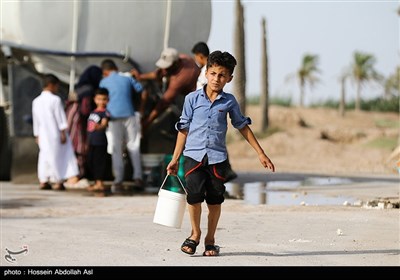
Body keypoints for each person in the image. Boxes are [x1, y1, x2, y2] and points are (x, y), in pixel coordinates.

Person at [166, 51, 275, 256]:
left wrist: (261, 153)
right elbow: (183, 130)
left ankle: (210, 239)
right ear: (206, 73)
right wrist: (175, 158)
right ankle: (195, 234)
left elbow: (242, 126)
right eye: (214, 73)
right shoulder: (191, 99)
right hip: (193, 156)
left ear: (229, 78)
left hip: (217, 158)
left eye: (222, 75)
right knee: (194, 196)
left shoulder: (229, 102)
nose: (217, 79)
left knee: (215, 199)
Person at [32, 74, 90, 190]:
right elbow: (60, 118)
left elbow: (36, 119)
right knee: (57, 155)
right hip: (55, 133)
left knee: (44, 156)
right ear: (51, 85)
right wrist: (63, 132)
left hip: (43, 133)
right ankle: (57, 180)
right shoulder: (55, 100)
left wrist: (37, 134)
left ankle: (43, 180)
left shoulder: (36, 101)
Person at [191, 42, 238, 183]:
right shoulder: (205, 73)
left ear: (199, 56)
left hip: (206, 113)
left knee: (212, 143)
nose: (216, 79)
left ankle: (219, 178)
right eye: (213, 74)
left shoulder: (203, 75)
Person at [99, 59, 145, 192]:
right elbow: (141, 90)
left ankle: (118, 179)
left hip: (112, 117)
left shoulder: (103, 81)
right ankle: (138, 177)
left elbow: (101, 97)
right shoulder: (127, 78)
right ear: (116, 68)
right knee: (134, 145)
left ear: (105, 72)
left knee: (116, 148)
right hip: (129, 114)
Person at [131, 48, 200, 131]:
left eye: (166, 68)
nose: (164, 70)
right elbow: (158, 74)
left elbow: (163, 103)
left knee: (180, 115)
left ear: (175, 64)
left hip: (193, 99)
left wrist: (147, 122)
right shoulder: (181, 58)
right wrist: (140, 77)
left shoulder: (180, 79)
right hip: (180, 90)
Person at [65, 65, 103, 179]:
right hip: (78, 119)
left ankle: (71, 173)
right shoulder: (89, 89)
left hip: (70, 115)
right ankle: (77, 174)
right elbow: (85, 110)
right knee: (80, 145)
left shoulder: (79, 87)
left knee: (72, 144)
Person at [86, 87, 111, 192]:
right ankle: (96, 182)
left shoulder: (105, 112)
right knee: (92, 161)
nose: (101, 102)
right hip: (92, 141)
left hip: (100, 142)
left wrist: (99, 127)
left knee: (99, 162)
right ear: (95, 99)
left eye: (104, 99)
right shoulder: (93, 112)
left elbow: (104, 124)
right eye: (99, 99)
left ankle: (100, 183)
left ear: (108, 100)